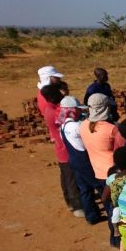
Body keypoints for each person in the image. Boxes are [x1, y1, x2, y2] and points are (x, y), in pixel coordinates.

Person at [40, 82, 84, 218]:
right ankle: (77, 206)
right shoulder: (55, 111)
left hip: (60, 148)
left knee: (65, 177)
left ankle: (69, 202)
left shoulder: (48, 108)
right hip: (66, 148)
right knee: (71, 179)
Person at [81, 93, 119, 246]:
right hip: (113, 173)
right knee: (115, 208)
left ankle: (113, 237)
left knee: (109, 205)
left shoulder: (83, 126)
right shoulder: (111, 129)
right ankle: (117, 239)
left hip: (98, 171)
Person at [58, 95, 102, 224]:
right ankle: (111, 212)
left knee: (85, 190)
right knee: (99, 186)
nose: (80, 111)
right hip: (84, 161)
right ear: (71, 110)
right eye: (77, 109)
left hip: (73, 161)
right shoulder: (76, 126)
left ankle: (92, 216)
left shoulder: (63, 126)